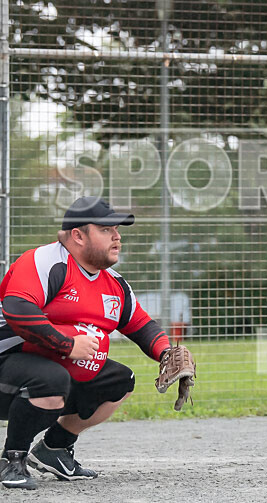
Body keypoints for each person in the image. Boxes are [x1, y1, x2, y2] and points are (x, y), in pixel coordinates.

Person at [0, 196, 180, 490]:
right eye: (107, 229)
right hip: (7, 363)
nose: (117, 236)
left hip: (47, 371)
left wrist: (167, 354)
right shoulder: (45, 261)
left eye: (117, 230)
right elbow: (18, 310)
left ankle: (55, 449)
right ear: (78, 236)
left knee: (120, 380)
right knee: (51, 379)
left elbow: (141, 324)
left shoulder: (114, 283)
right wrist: (68, 345)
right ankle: (13, 459)